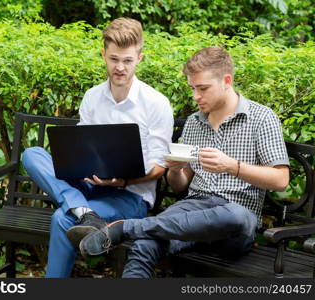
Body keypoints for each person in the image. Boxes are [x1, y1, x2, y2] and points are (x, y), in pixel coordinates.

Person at [79, 46, 290, 278]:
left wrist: (232, 166)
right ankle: (131, 231)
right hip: (192, 211)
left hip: (234, 223)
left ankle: (126, 227)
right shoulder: (194, 122)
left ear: (226, 81)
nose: (195, 96)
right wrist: (176, 170)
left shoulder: (261, 118)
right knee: (144, 246)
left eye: (203, 89)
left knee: (235, 216)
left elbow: (281, 180)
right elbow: (180, 186)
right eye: (192, 88)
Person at [22, 17, 174, 278]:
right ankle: (85, 211)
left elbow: (160, 167)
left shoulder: (156, 104)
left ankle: (79, 212)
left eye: (127, 60)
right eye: (114, 59)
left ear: (140, 58)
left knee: (63, 217)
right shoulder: (92, 97)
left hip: (129, 196)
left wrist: (122, 181)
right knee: (32, 154)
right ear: (103, 54)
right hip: (88, 184)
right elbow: (80, 147)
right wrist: (78, 164)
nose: (120, 67)